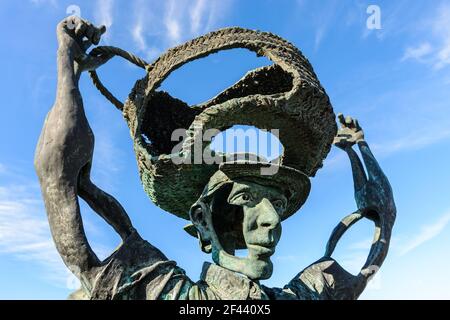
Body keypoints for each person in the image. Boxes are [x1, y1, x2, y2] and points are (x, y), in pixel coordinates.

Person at [34, 17, 396, 300]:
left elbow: (380, 222)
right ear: (203, 222)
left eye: (277, 203)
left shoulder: (306, 293)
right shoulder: (170, 293)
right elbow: (62, 177)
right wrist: (67, 68)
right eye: (247, 198)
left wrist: (358, 149)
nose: (272, 219)